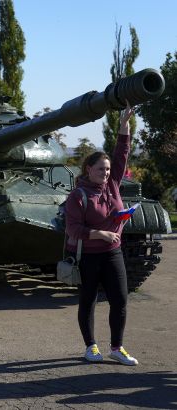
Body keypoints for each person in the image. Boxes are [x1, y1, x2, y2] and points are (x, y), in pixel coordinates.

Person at [64, 103, 138, 366]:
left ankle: (117, 347)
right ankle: (90, 346)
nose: (106, 173)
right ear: (88, 170)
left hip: (112, 253)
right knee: (88, 300)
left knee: (120, 299)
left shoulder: (113, 184)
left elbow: (122, 153)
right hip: (88, 255)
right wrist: (101, 234)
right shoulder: (78, 195)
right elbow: (72, 229)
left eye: (107, 169)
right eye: (100, 169)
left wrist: (124, 124)